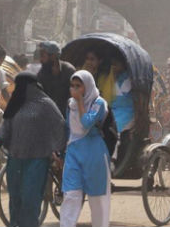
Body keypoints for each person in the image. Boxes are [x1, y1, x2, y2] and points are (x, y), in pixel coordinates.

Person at [0, 72, 66, 227]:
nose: (17, 89)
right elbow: (6, 127)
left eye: (20, 85)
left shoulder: (46, 104)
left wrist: (57, 149)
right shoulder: (15, 103)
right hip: (15, 159)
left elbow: (60, 125)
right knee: (15, 198)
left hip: (37, 160)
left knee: (30, 199)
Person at [60, 70, 111, 227]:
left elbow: (87, 123)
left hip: (94, 154)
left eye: (79, 86)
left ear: (87, 86)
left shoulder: (99, 103)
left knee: (97, 200)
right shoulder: (71, 104)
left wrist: (81, 102)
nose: (74, 89)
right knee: (71, 194)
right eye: (72, 85)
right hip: (74, 152)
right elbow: (69, 127)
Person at [37, 41, 76, 115]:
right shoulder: (42, 73)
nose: (40, 60)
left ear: (53, 56)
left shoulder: (69, 71)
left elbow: (74, 98)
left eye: (43, 56)